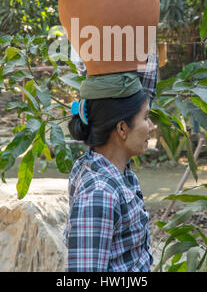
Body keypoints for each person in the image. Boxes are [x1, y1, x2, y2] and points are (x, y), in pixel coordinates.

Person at [63, 72, 155, 272]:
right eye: (146, 118)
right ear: (122, 128)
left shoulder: (119, 173)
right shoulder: (100, 193)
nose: (151, 127)